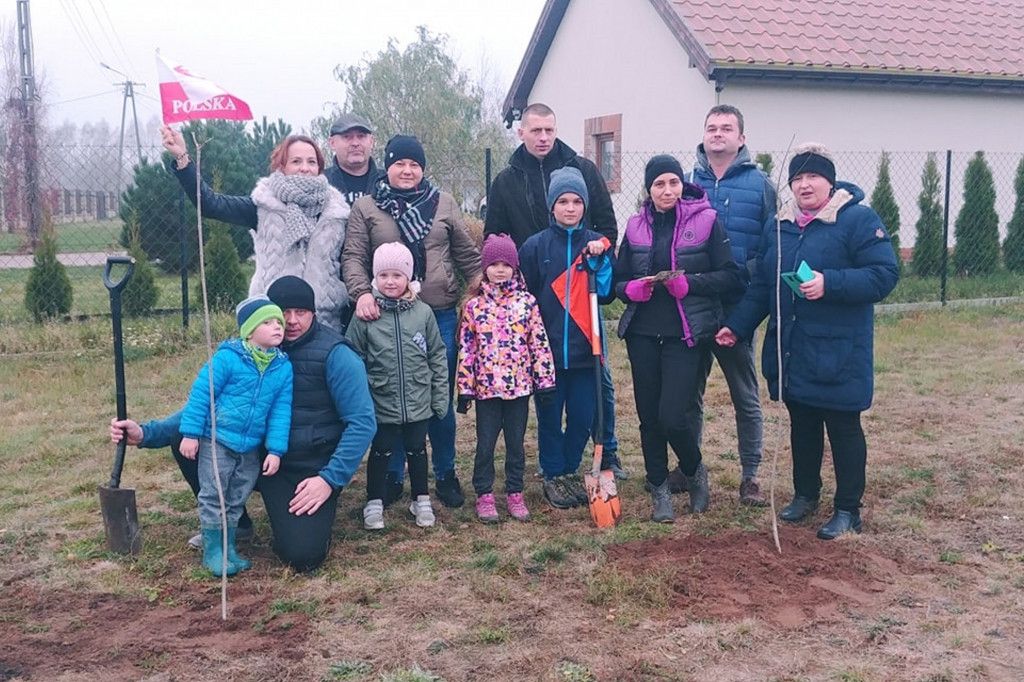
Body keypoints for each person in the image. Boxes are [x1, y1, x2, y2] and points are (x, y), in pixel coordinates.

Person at [110, 276, 377, 572]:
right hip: (255, 454)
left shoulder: (336, 355)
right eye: (281, 313)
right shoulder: (252, 348)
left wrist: (329, 479)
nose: (290, 322)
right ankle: (234, 526)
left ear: (313, 313)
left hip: (305, 467)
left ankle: (293, 516)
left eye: (300, 312)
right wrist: (147, 433)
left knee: (302, 556)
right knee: (188, 438)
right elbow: (210, 405)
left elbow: (362, 423)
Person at [716, 143, 899, 540]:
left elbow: (884, 274)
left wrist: (829, 283)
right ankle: (805, 495)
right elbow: (764, 283)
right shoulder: (779, 225)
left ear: (829, 182)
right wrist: (738, 325)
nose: (803, 185)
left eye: (812, 176)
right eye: (796, 178)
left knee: (843, 426)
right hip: (792, 345)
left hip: (839, 350)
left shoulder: (857, 221)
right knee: (802, 422)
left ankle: (849, 508)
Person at [484, 102, 625, 480]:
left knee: (597, 391)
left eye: (549, 130)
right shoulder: (507, 180)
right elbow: (495, 238)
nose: (543, 137)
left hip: (583, 306)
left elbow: (609, 230)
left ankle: (606, 452)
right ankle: (554, 469)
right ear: (522, 133)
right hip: (541, 304)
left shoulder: (583, 169)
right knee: (548, 402)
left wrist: (599, 252)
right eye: (536, 131)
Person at [343, 135, 481, 509]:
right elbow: (353, 256)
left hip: (436, 314)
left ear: (422, 168)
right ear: (387, 166)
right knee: (393, 395)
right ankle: (394, 475)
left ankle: (444, 472)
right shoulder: (368, 208)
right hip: (383, 317)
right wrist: (362, 294)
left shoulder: (443, 203)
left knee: (436, 394)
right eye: (400, 163)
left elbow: (467, 256)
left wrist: (481, 293)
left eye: (414, 164)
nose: (407, 170)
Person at [614, 155, 743, 522]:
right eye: (659, 184)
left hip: (685, 333)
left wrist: (691, 284)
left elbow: (730, 275)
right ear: (649, 189)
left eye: (673, 182)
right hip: (641, 332)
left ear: (682, 184)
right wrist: (631, 290)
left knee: (673, 415)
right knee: (648, 417)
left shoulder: (706, 221)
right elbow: (619, 280)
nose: (666, 190)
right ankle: (660, 490)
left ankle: (694, 468)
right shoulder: (636, 225)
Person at [678, 104, 777, 507]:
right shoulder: (684, 183)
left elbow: (773, 245)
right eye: (711, 127)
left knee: (744, 394)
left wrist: (747, 274)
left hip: (738, 305)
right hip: (694, 305)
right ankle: (691, 467)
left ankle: (750, 475)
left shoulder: (761, 185)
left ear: (741, 138)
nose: (718, 134)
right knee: (688, 394)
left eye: (726, 128)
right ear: (703, 135)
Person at [161, 126, 352, 334]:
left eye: (311, 162)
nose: (304, 168)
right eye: (296, 161)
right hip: (272, 318)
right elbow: (210, 204)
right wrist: (182, 158)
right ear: (282, 166)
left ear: (320, 168)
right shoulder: (263, 206)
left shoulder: (337, 211)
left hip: (324, 320)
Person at [519, 167, 614, 510]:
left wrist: (598, 262)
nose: (570, 208)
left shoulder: (597, 245)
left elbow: (605, 292)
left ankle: (572, 468)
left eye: (576, 201)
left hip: (585, 350)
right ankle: (553, 472)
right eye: (563, 201)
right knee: (549, 415)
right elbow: (525, 296)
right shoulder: (535, 246)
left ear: (585, 206)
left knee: (583, 415)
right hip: (547, 353)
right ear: (552, 206)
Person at [178, 295, 293, 576]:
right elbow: (202, 393)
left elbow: (281, 411)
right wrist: (191, 433)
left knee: (237, 496)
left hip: (250, 446)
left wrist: (276, 450)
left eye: (278, 321)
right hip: (217, 440)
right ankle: (213, 551)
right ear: (250, 331)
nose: (278, 326)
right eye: (268, 322)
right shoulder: (228, 359)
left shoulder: (282, 367)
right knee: (214, 493)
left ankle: (228, 548)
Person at [347, 242, 449, 529]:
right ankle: (374, 501)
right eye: (383, 276)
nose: (390, 282)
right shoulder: (365, 315)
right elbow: (353, 357)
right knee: (381, 449)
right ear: (374, 278)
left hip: (418, 398)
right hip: (381, 399)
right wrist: (362, 397)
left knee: (417, 448)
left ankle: (421, 498)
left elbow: (437, 355)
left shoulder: (423, 313)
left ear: (409, 277)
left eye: (397, 275)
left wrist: (439, 396)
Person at [456, 233, 556, 523]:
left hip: (519, 388)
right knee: (485, 442)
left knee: (516, 441)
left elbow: (538, 343)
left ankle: (515, 491)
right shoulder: (474, 307)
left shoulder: (527, 303)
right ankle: (484, 493)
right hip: (487, 391)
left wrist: (545, 381)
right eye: (494, 263)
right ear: (485, 267)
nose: (500, 269)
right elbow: (467, 350)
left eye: (506, 264)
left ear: (515, 267)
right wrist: (465, 389)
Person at [324, 113, 384, 206]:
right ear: (332, 143)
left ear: (371, 141)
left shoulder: (387, 182)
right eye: (347, 137)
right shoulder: (322, 184)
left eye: (361, 136)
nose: (355, 143)